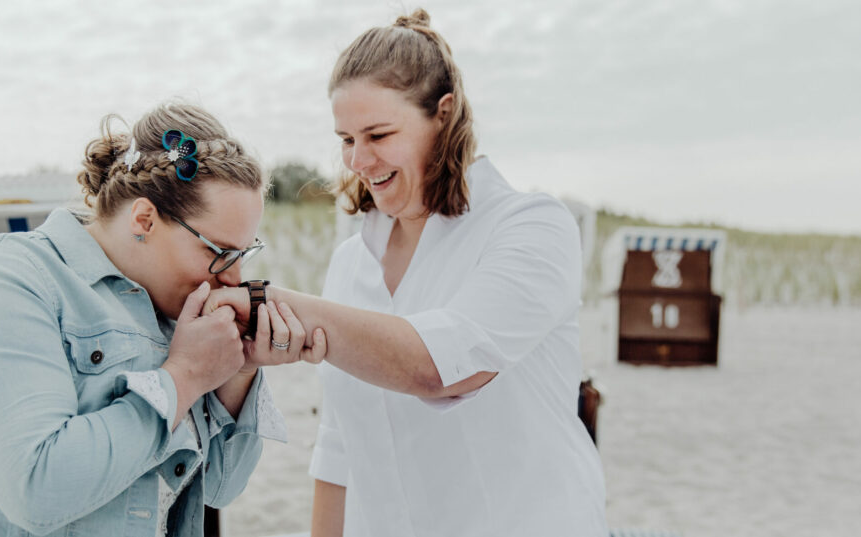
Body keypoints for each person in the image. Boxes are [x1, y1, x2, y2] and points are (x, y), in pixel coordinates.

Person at [204, 9, 608, 536]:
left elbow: (440, 369)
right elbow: (339, 446)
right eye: (347, 139)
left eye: (378, 134)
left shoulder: (532, 227)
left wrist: (268, 301)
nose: (357, 160)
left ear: (444, 115)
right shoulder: (351, 261)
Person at [0, 102, 324, 537]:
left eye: (242, 255)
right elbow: (37, 491)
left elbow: (223, 488)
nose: (233, 278)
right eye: (217, 252)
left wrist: (239, 370)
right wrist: (185, 376)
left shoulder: (175, 316)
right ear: (144, 219)